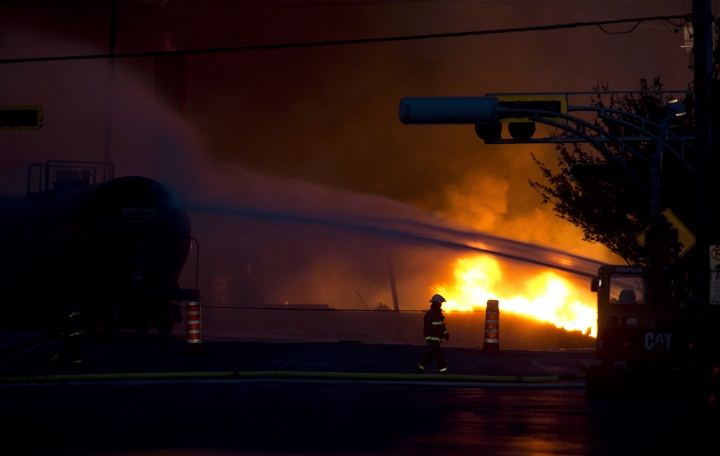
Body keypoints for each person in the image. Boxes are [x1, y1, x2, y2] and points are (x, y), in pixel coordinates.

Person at [415, 294, 449, 374]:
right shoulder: (430, 315)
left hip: (437, 340)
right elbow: (427, 329)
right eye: (440, 304)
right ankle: (443, 371)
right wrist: (429, 340)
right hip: (433, 341)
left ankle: (419, 369)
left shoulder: (438, 314)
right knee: (439, 355)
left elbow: (442, 326)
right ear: (436, 304)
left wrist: (445, 334)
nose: (441, 305)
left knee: (431, 355)